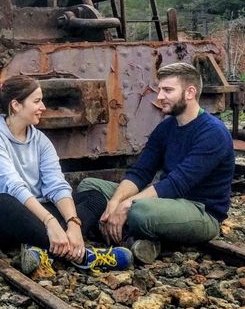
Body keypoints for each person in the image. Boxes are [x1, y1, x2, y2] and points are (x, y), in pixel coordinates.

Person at [0, 74, 132, 275]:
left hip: (32, 215)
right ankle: (83, 256)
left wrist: (73, 224)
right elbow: (13, 186)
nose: (43, 107)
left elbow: (57, 186)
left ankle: (45, 250)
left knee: (94, 197)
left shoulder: (40, 140)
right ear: (16, 106)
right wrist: (51, 223)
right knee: (2, 202)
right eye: (36, 101)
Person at [75, 62, 235, 264]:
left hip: (200, 210)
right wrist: (115, 202)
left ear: (190, 92)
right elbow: (140, 172)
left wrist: (125, 206)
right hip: (167, 203)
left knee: (139, 211)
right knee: (89, 185)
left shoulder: (213, 133)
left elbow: (177, 183)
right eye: (160, 89)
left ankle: (111, 235)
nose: (159, 97)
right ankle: (124, 240)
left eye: (167, 90)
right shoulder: (166, 127)